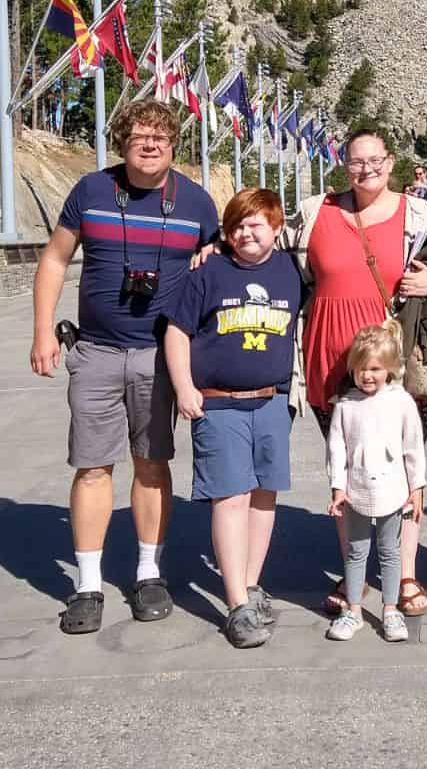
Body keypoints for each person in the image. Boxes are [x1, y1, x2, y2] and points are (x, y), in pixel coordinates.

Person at [30, 101, 220, 636]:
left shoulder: (197, 202)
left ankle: (148, 572)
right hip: (95, 351)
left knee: (152, 463)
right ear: (122, 140)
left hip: (161, 356)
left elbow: (220, 268)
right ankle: (87, 585)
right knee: (91, 466)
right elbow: (54, 259)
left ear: (174, 144)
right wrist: (43, 329)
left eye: (160, 136)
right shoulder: (91, 191)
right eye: (139, 135)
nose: (150, 144)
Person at [283, 127, 427, 617]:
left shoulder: (419, 214)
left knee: (405, 464)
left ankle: (407, 570)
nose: (366, 169)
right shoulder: (315, 212)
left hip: (400, 364)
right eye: (356, 161)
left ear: (391, 162)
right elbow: (269, 256)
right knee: (347, 466)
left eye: (375, 160)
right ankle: (355, 567)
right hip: (329, 361)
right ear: (343, 163)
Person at [163, 188, 301, 649]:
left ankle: (252, 584)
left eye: (255, 224)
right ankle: (237, 603)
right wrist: (184, 386)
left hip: (271, 401)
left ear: (276, 228)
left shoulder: (290, 270)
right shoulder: (208, 273)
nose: (245, 232)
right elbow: (177, 331)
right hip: (219, 402)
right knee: (230, 497)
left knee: (264, 495)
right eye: (236, 225)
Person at [325, 320, 425, 642]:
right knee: (355, 552)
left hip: (393, 493)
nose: (368, 375)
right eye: (361, 369)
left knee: (390, 551)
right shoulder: (346, 406)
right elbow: (337, 449)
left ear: (391, 368)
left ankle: (391, 610)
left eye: (376, 369)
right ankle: (353, 611)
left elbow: (413, 449)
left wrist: (416, 490)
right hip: (355, 492)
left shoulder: (402, 403)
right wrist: (338, 487)